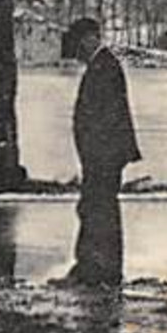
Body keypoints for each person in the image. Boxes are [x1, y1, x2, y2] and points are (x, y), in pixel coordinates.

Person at [61, 16, 141, 288]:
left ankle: (100, 271)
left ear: (90, 38)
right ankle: (92, 268)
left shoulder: (105, 67)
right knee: (94, 208)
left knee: (99, 209)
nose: (78, 52)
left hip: (103, 156)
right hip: (100, 156)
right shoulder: (101, 65)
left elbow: (106, 119)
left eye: (79, 45)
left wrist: (95, 157)